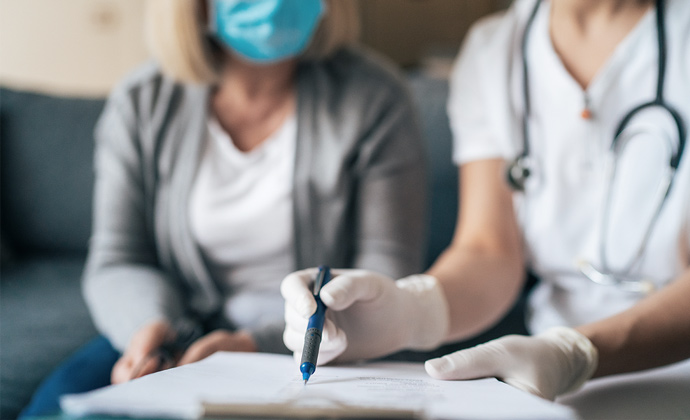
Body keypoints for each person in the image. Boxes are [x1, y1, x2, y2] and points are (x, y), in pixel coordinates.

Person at [20, 0, 427, 416]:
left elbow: (385, 277)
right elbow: (119, 257)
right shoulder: (143, 100)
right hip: (174, 332)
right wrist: (150, 327)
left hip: (316, 344)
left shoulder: (376, 97)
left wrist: (252, 346)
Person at [282, 0, 690, 401]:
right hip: (542, 377)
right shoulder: (494, 51)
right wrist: (412, 309)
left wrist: (576, 351)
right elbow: (489, 251)